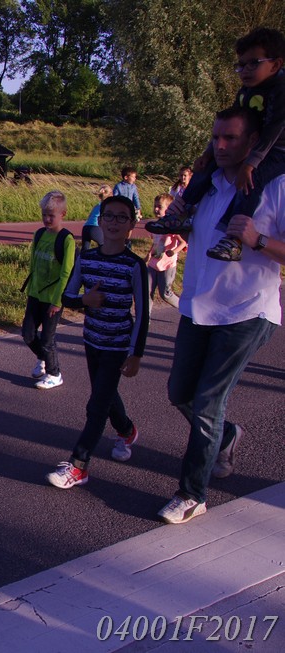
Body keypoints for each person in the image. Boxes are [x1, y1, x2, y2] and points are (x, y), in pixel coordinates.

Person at [157, 106, 285, 525]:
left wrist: (257, 239)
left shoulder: (276, 185)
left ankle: (191, 494)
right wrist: (178, 225)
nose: (221, 145)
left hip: (248, 310)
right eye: (216, 138)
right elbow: (199, 233)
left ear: (254, 142)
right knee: (180, 393)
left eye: (230, 138)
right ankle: (227, 435)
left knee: (208, 402)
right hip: (199, 306)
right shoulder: (206, 185)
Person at [147, 27, 285, 263]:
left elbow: (273, 130)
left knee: (253, 178)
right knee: (207, 166)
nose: (245, 70)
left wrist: (251, 163)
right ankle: (181, 211)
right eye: (241, 65)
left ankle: (234, 239)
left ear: (275, 64)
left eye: (253, 63)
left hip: (276, 151)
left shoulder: (280, 91)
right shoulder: (246, 91)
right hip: (254, 150)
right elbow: (231, 123)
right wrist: (207, 153)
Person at [47, 195, 149, 489]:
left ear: (131, 225)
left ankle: (79, 466)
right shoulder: (87, 258)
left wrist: (136, 354)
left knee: (96, 405)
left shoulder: (134, 265)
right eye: (109, 216)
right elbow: (67, 296)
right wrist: (85, 300)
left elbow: (142, 313)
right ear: (100, 221)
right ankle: (126, 430)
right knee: (105, 394)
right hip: (92, 341)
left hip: (118, 345)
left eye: (122, 217)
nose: (114, 222)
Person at [21, 191, 75, 390]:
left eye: (51, 215)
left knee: (47, 339)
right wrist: (30, 289)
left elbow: (66, 273)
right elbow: (33, 264)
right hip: (35, 294)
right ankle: (43, 359)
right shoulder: (39, 234)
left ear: (63, 214)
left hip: (53, 298)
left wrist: (58, 301)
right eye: (44, 214)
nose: (46, 219)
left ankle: (54, 373)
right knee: (28, 334)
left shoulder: (66, 240)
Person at [146, 194, 187, 311]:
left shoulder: (172, 227)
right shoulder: (155, 226)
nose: (156, 209)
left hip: (167, 265)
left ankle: (184, 308)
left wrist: (173, 251)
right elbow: (155, 243)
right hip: (153, 264)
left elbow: (183, 243)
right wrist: (148, 254)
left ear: (169, 210)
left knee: (165, 294)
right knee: (147, 291)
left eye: (159, 207)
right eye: (155, 206)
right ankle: (145, 317)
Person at [81, 184, 112, 250]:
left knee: (85, 249)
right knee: (104, 247)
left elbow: (90, 216)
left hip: (86, 227)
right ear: (110, 195)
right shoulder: (107, 207)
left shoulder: (97, 206)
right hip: (95, 227)